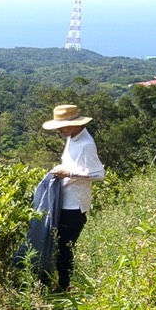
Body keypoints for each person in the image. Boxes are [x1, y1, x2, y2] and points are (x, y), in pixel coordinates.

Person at [40, 103, 106, 292]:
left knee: (65, 247)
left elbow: (98, 175)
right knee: (59, 245)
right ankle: (61, 282)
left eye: (64, 126)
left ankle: (64, 285)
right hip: (65, 200)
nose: (61, 130)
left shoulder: (86, 144)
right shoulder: (73, 138)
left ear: (77, 123)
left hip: (75, 205)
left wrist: (69, 173)